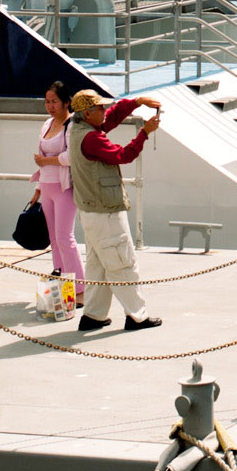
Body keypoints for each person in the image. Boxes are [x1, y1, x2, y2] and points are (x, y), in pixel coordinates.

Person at [66, 88, 164, 333]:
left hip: (91, 211)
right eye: (99, 108)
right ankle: (137, 316)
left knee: (98, 264)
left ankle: (93, 316)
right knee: (122, 262)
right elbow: (123, 155)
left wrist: (137, 102)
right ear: (87, 113)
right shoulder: (92, 138)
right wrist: (144, 133)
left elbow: (110, 119)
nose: (104, 110)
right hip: (105, 211)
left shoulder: (78, 129)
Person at [35, 82, 85, 306]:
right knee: (54, 239)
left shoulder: (71, 125)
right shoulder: (47, 124)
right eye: (47, 101)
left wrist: (46, 161)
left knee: (66, 237)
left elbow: (70, 157)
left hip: (64, 187)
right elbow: (41, 155)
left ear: (67, 102)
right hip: (46, 185)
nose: (50, 106)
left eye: (54, 101)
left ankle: (80, 288)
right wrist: (36, 188)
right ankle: (62, 281)